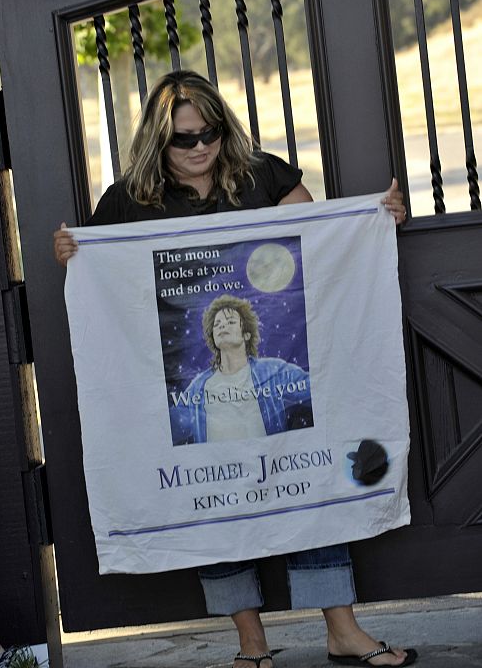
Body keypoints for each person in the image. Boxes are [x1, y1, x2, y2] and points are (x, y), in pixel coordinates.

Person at [54, 70, 416, 668]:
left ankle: (343, 633)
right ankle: (251, 644)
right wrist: (69, 253)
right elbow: (100, 276)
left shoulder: (263, 174)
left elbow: (324, 242)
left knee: (312, 490)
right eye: (184, 140)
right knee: (210, 505)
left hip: (283, 386)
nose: (200, 148)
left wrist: (374, 222)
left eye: (210, 133)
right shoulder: (127, 200)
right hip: (189, 401)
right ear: (157, 142)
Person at [170, 293, 313, 445]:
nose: (222, 326)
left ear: (246, 334)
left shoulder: (273, 371)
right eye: (217, 324)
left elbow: (317, 388)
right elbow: (171, 427)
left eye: (230, 322)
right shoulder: (198, 387)